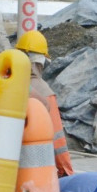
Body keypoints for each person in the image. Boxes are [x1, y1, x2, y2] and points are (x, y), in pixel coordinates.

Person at [14, 31, 74, 177]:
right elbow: (57, 139)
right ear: (41, 62)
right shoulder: (44, 92)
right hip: (35, 168)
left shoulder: (7, 84)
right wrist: (66, 171)